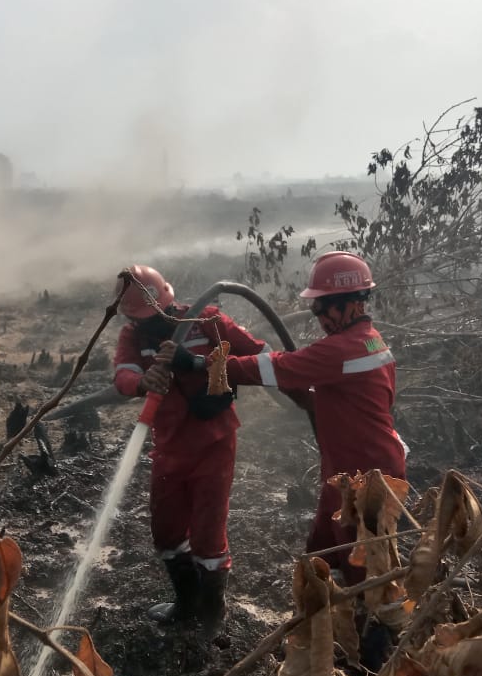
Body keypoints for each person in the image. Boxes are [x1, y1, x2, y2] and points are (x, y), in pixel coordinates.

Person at [164, 251, 407, 587]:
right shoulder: (369, 341)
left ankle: (377, 631)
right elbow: (337, 398)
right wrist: (301, 393)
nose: (317, 315)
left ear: (343, 303)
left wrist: (198, 364)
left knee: (364, 568)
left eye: (319, 307)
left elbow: (272, 366)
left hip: (365, 474)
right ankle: (328, 618)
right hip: (348, 469)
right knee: (323, 554)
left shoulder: (340, 350)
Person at [112, 264, 268, 635]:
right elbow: (122, 374)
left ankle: (213, 615)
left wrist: (198, 363)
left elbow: (262, 359)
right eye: (142, 318)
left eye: (155, 316)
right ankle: (187, 602)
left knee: (207, 535)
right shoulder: (133, 336)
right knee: (165, 533)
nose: (150, 324)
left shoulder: (207, 321)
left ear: (169, 300)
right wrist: (141, 381)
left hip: (213, 443)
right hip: (167, 446)